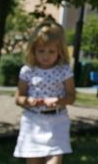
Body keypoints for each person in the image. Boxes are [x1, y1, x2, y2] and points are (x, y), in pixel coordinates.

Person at [14, 21, 76, 164]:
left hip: (57, 121)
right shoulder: (27, 70)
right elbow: (19, 97)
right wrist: (28, 101)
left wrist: (58, 101)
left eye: (51, 51)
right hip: (32, 121)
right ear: (33, 50)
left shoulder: (64, 70)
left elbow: (71, 97)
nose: (45, 56)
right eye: (41, 51)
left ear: (60, 51)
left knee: (54, 160)